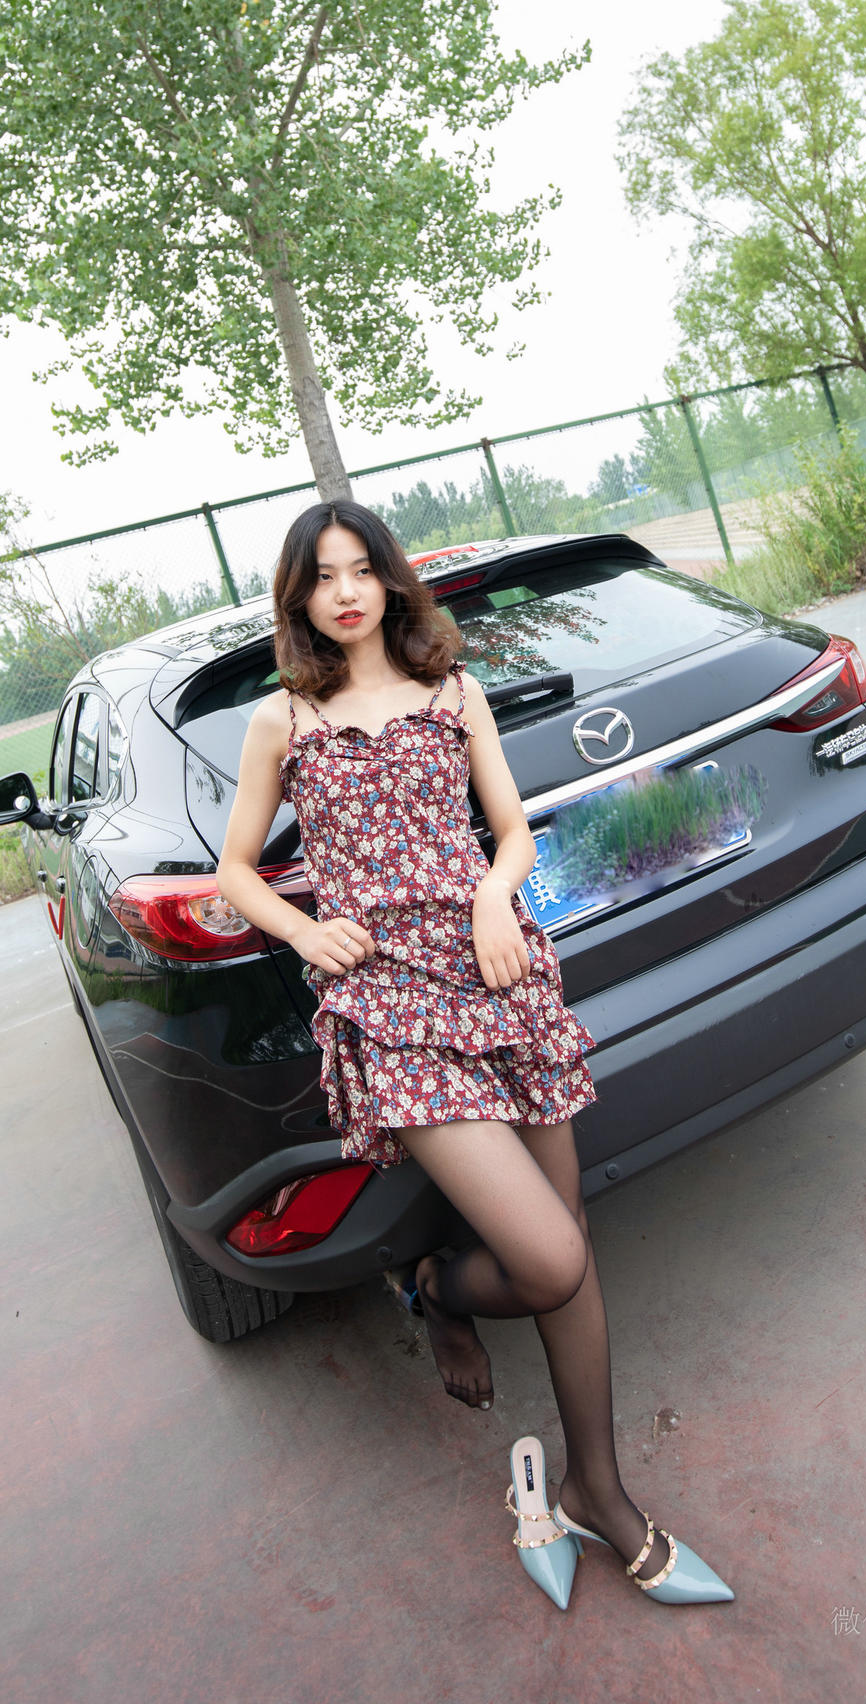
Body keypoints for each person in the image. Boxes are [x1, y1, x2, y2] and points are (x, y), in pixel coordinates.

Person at [216, 500, 733, 1610]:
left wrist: (498, 895)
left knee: (572, 1243)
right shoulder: (283, 721)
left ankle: (598, 1490)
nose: (346, 592)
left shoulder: (454, 691)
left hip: (499, 976)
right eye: (323, 576)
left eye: (362, 570)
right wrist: (305, 931)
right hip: (390, 1002)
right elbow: (236, 871)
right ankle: (432, 1285)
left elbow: (511, 832)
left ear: (390, 580)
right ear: (299, 596)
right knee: (548, 1261)